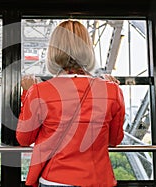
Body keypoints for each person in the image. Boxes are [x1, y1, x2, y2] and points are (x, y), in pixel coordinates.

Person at [16, 20, 125, 187]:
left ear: (53, 50)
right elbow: (114, 140)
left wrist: (27, 93)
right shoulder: (112, 91)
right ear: (88, 49)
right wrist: (112, 88)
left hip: (55, 179)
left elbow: (24, 139)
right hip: (98, 179)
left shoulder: (40, 91)